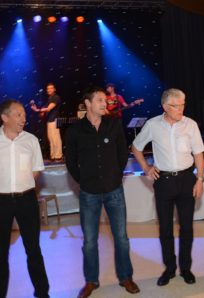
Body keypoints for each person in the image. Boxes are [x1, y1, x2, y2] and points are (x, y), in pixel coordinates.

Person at [64, 86, 140, 298]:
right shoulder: (75, 130)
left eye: (105, 100)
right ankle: (90, 281)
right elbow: (70, 161)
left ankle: (126, 277)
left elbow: (122, 155)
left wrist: (116, 176)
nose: (105, 103)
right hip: (89, 193)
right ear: (88, 104)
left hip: (114, 189)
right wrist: (83, 181)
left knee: (122, 237)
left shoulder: (114, 124)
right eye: (99, 100)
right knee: (89, 241)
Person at [0, 99, 50, 298]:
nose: (23, 118)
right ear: (4, 117)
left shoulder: (31, 140)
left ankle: (43, 294)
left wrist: (20, 186)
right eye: (18, 115)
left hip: (27, 201)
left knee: (33, 250)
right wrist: (0, 188)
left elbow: (35, 171)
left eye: (24, 115)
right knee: (0, 255)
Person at [131, 88, 204, 286]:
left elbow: (198, 153)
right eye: (176, 105)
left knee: (187, 227)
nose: (181, 108)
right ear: (165, 106)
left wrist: (200, 179)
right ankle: (170, 269)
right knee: (165, 228)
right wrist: (146, 167)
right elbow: (136, 147)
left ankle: (186, 268)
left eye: (183, 104)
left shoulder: (190, 125)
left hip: (187, 179)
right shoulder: (153, 125)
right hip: (163, 182)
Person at [31, 83, 63, 161]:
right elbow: (44, 109)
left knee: (56, 138)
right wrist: (39, 111)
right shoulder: (49, 99)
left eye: (51, 88)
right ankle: (53, 156)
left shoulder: (56, 97)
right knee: (51, 139)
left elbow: (48, 109)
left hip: (55, 120)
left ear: (54, 89)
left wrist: (38, 110)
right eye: (48, 88)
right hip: (50, 121)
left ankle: (58, 156)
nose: (49, 90)